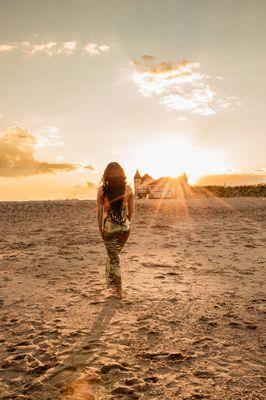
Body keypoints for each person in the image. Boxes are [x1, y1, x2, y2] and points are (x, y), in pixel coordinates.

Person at [97, 162, 133, 299]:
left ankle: (118, 290)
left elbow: (99, 214)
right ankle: (113, 285)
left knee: (114, 258)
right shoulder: (128, 189)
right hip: (125, 228)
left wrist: (101, 229)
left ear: (106, 174)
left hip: (109, 229)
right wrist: (124, 224)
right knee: (114, 256)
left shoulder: (101, 190)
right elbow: (131, 212)